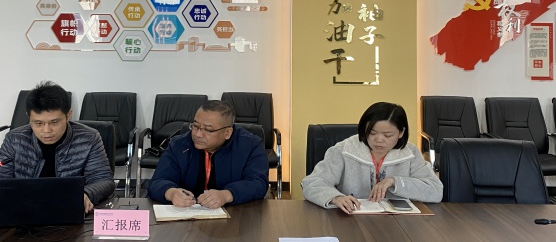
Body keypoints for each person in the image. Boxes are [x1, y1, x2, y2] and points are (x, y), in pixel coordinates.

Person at [0, 81, 115, 213]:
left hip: (69, 210)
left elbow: (103, 180)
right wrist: (1, 203)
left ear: (68, 115)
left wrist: (86, 193)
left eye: (54, 122)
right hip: (25, 211)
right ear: (29, 118)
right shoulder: (15, 139)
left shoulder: (89, 138)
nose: (46, 130)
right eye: (38, 123)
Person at [301, 102, 443, 213]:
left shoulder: (410, 154)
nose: (379, 140)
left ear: (401, 132)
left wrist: (394, 181)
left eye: (388, 135)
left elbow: (436, 191)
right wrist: (336, 198)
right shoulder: (343, 150)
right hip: (349, 219)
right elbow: (312, 183)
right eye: (372, 133)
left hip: (397, 224)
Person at [148, 100, 269, 208]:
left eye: (208, 130)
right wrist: (171, 193)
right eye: (195, 126)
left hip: (236, 214)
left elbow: (258, 184)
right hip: (187, 214)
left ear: (227, 132)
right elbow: (157, 181)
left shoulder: (251, 145)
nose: (198, 134)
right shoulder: (179, 145)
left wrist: (226, 195)